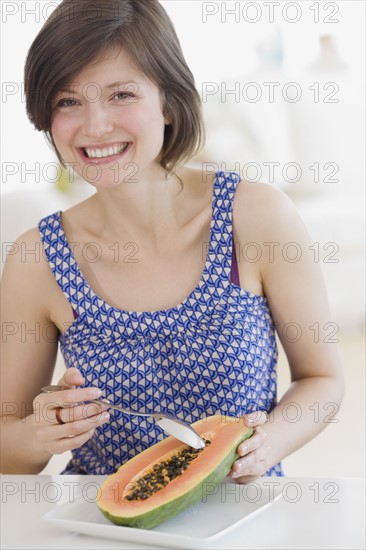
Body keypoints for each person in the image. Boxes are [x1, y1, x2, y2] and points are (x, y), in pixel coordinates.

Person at [1, 0, 344, 481]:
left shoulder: (257, 216)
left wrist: (267, 445)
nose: (95, 125)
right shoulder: (36, 257)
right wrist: (40, 434)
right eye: (67, 101)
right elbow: (6, 447)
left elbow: (322, 379)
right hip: (102, 525)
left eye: (122, 94)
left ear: (168, 100)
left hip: (240, 515)